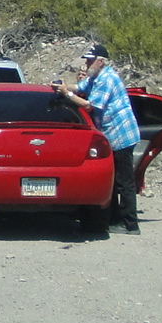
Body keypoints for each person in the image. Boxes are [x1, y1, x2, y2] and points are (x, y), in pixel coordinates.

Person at [57, 43, 142, 234]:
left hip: (122, 134)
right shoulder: (95, 77)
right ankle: (114, 219)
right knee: (113, 181)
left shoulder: (107, 79)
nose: (87, 63)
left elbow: (89, 106)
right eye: (87, 60)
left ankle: (130, 223)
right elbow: (79, 87)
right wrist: (63, 87)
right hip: (111, 135)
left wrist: (67, 94)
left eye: (91, 60)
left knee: (124, 181)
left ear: (101, 62)